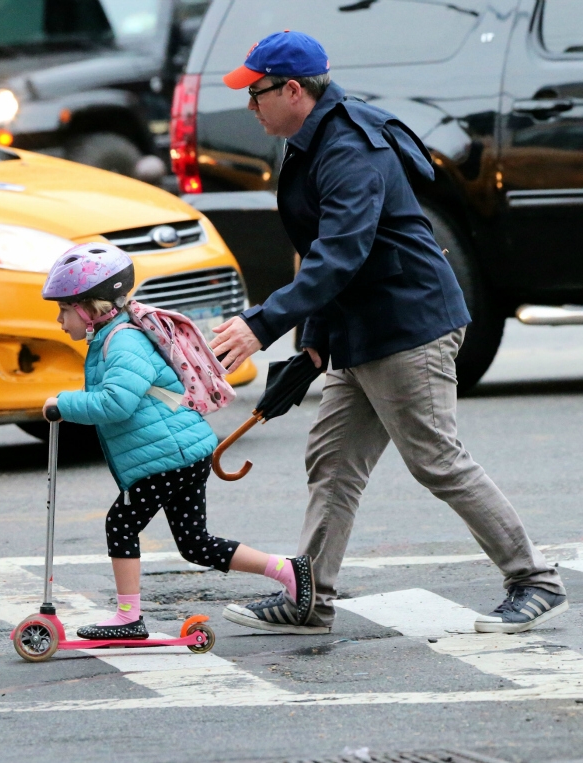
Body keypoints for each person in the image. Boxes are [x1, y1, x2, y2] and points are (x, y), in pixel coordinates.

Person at [210, 31, 567, 635]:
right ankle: (311, 598)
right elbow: (324, 250)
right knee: (332, 461)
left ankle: (534, 579)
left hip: (407, 326)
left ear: (293, 90)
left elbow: (340, 255)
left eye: (258, 92)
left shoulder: (350, 146)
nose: (250, 105)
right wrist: (315, 342)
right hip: (359, 329)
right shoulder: (310, 137)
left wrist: (261, 324)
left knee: (436, 459)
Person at [40, 244, 315, 639]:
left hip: (166, 457)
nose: (59, 320)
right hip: (183, 453)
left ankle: (128, 617)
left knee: (121, 523)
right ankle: (288, 570)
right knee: (195, 544)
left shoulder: (122, 341)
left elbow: (117, 402)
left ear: (89, 308)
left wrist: (62, 404)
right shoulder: (113, 338)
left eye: (64, 310)